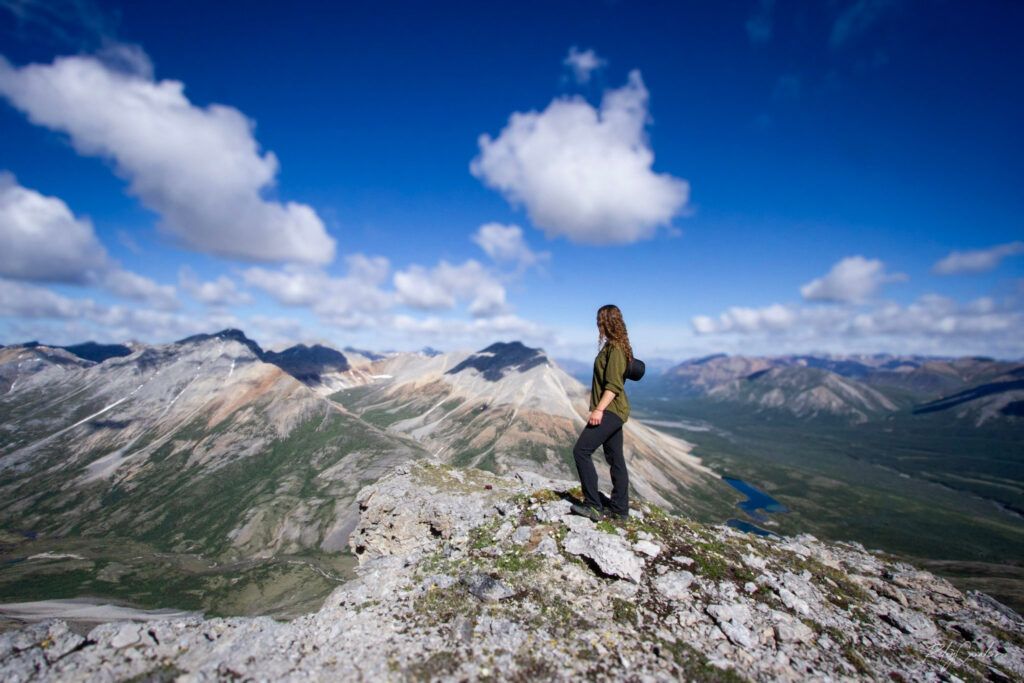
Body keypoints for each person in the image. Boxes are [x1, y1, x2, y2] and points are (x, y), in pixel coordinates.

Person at [570, 304, 633, 522]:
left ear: (608, 322)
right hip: (616, 411)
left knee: (581, 451)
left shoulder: (615, 349)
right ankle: (619, 509)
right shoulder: (614, 346)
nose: (598, 325)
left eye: (600, 321)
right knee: (615, 458)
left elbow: (613, 385)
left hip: (610, 410)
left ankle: (593, 506)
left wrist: (599, 410)